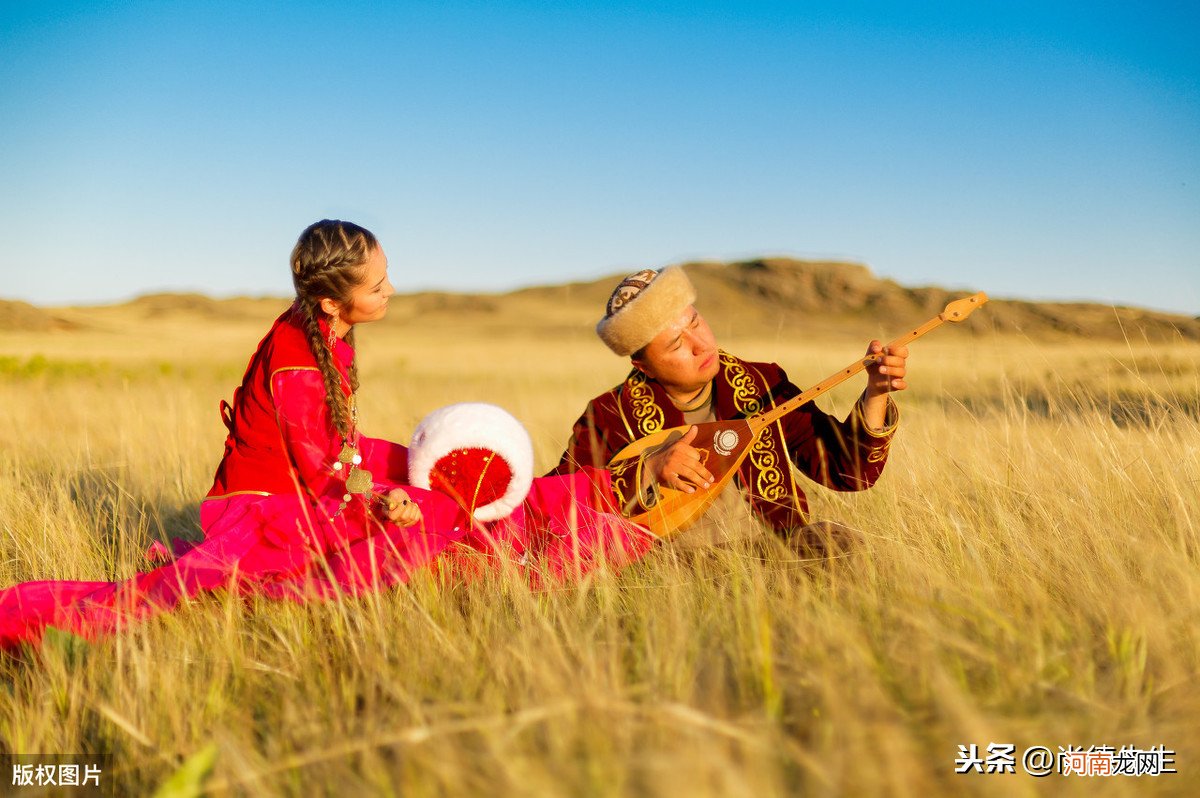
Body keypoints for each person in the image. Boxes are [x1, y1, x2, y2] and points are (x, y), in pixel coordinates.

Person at [0, 220, 653, 652]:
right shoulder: (297, 360)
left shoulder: (328, 331)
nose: (391, 289)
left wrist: (408, 463)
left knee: (454, 470)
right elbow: (322, 470)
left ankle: (566, 509)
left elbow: (338, 445)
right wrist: (383, 501)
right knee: (425, 511)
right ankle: (304, 593)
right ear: (334, 302)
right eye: (378, 284)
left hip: (309, 482)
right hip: (263, 507)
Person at [551, 266, 908, 551]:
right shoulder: (610, 414)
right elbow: (557, 503)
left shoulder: (763, 383)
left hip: (777, 547)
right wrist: (646, 471)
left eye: (695, 322)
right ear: (642, 365)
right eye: (676, 343)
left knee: (840, 545)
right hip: (670, 564)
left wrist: (876, 392)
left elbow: (848, 471)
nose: (700, 344)